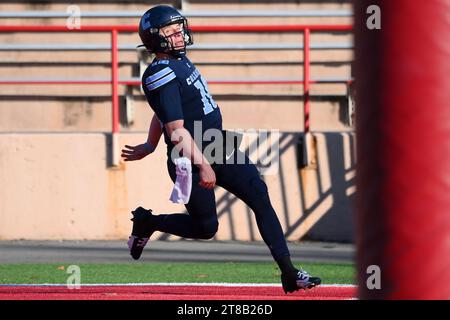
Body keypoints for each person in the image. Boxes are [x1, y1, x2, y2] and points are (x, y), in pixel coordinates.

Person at [121, 5, 321, 293]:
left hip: (215, 140)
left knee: (259, 195)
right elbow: (176, 129)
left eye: (179, 28)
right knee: (206, 228)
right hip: (187, 155)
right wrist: (202, 164)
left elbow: (163, 112)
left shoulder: (179, 62)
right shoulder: (159, 72)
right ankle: (147, 222)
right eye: (171, 31)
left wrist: (150, 144)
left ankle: (289, 273)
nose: (179, 34)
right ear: (155, 38)